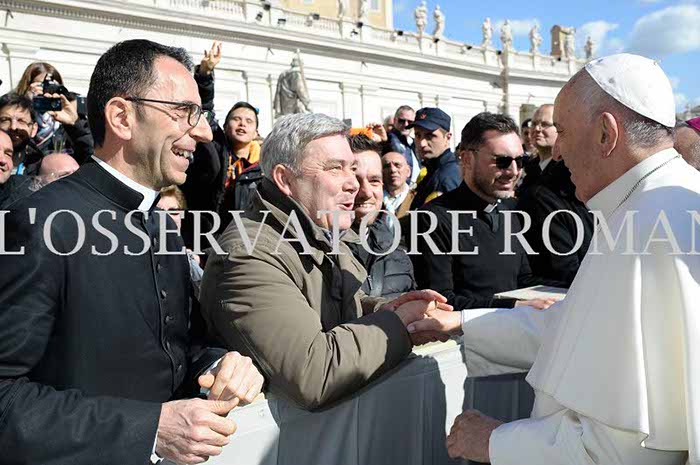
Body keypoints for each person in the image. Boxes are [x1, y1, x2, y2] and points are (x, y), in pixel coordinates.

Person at [416, 53, 697, 465]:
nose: (557, 151)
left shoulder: (646, 227)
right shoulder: (656, 204)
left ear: (606, 133)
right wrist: (459, 322)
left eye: (562, 132)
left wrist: (494, 441)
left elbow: (622, 452)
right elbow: (573, 326)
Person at [0, 39, 264, 465]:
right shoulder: (39, 223)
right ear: (122, 117)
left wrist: (220, 365)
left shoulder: (161, 224)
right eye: (184, 111)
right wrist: (149, 430)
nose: (202, 132)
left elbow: (181, 347)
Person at [199, 112, 452, 411]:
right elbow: (314, 372)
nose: (354, 184)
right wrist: (399, 323)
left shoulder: (319, 230)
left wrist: (386, 309)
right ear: (285, 179)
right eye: (335, 168)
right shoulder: (249, 254)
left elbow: (337, 307)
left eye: (352, 169)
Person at [411, 111, 565, 311]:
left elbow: (522, 280)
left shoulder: (511, 211)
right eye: (502, 161)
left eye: (520, 161)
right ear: (467, 159)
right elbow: (439, 302)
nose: (514, 171)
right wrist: (513, 305)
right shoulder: (432, 219)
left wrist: (570, 288)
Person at [182, 41, 263, 240]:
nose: (242, 124)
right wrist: (204, 74)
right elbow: (205, 109)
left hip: (242, 240)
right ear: (225, 127)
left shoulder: (264, 168)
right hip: (201, 236)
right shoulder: (214, 147)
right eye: (236, 119)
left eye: (249, 121)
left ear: (256, 132)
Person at [517, 104, 594, 285]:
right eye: (534, 123)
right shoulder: (529, 169)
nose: (537, 129)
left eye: (545, 124)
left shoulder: (569, 175)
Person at [347, 134, 416, 299]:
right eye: (355, 181)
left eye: (374, 181)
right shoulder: (317, 254)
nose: (366, 192)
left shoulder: (395, 250)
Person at [13, 61, 94, 160]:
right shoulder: (16, 116)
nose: (48, 91)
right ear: (27, 87)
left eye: (53, 86)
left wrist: (75, 125)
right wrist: (25, 105)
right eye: (43, 85)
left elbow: (89, 153)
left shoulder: (66, 120)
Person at [409, 107, 461, 209]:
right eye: (418, 135)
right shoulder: (433, 170)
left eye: (430, 136)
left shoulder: (446, 178)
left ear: (447, 138)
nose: (422, 143)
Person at [386, 105, 421, 184]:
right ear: (395, 121)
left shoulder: (414, 142)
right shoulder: (388, 139)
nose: (406, 124)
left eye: (410, 122)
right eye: (401, 121)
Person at [382, 150, 413, 223]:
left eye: (397, 165)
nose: (393, 170)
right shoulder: (374, 200)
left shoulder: (417, 199)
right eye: (387, 166)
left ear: (408, 171)